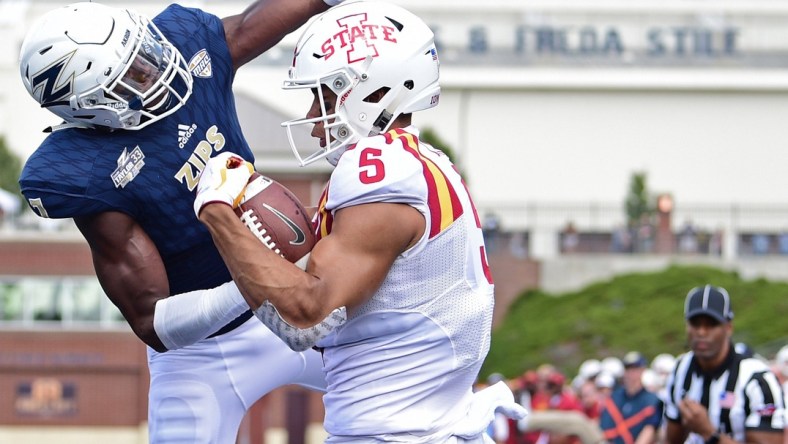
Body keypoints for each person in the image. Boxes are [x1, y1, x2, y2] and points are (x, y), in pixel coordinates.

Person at [193, 2, 527, 441]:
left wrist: (218, 212)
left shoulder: (378, 166)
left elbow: (305, 317)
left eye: (325, 96)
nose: (315, 120)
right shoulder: (417, 164)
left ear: (372, 91)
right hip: (424, 427)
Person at [17, 1, 342, 442]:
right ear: (86, 108)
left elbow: (252, 24)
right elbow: (154, 322)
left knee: (412, 390)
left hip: (297, 303)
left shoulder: (185, 44)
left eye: (145, 53)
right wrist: (259, 282)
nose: (154, 70)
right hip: (202, 353)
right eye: (131, 75)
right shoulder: (85, 172)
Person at [664, 285, 786, 444]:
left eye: (711, 324)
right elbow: (671, 439)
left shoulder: (758, 379)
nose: (701, 332)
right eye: (695, 323)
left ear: (728, 328)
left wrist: (709, 433)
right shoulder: (681, 368)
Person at [599, 351, 663, 444]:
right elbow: (605, 430)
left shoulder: (652, 400)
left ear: (643, 370)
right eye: (628, 369)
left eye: (635, 368)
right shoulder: (614, 398)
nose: (631, 373)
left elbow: (649, 431)